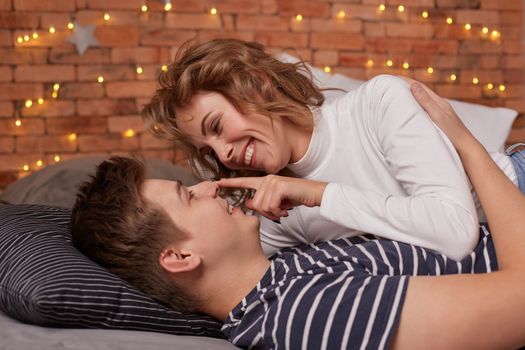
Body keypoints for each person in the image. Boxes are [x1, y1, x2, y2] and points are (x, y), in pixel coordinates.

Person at [71, 81, 525, 348]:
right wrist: (465, 144)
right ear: (180, 258)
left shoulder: (280, 268)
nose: (212, 180)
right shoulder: (300, 311)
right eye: (188, 196)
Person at [142, 38, 524, 261]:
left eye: (217, 127)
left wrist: (321, 194)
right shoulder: (277, 210)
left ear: (254, 84)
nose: (223, 155)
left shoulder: (378, 102)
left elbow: (456, 232)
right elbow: (236, 270)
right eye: (208, 149)